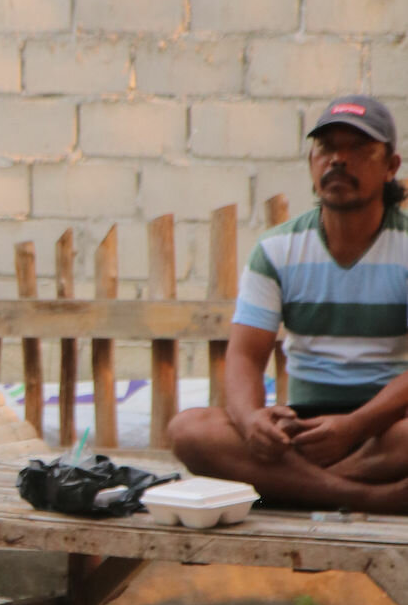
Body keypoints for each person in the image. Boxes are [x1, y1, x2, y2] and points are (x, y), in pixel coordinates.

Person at [169, 96, 408, 511]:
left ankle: (293, 486)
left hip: (384, 427)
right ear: (312, 162)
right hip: (301, 429)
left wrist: (353, 426)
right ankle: (365, 496)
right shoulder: (277, 249)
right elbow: (244, 357)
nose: (338, 160)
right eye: (326, 148)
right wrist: (253, 421)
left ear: (391, 167)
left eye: (358, 149)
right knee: (189, 430)